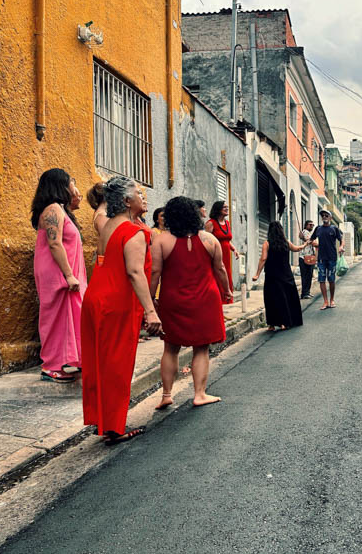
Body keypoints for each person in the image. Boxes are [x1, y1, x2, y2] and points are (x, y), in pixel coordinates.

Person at [81, 177, 161, 445]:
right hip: (116, 303)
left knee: (99, 363)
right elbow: (135, 271)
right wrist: (151, 311)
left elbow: (102, 260)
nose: (143, 196)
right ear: (127, 201)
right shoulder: (133, 231)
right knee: (117, 365)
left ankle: (102, 420)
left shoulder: (108, 225)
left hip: (96, 298)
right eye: (139, 193)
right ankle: (114, 427)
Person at [150, 196, 231, 410]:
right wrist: (227, 290)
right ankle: (199, 394)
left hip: (172, 300)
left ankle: (167, 395)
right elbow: (220, 269)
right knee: (201, 349)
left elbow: (155, 272)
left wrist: (149, 301)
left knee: (170, 348)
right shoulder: (209, 240)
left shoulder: (160, 240)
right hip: (205, 299)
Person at [31, 169, 87, 383]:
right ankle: (51, 367)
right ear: (59, 185)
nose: (73, 185)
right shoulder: (52, 210)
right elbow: (54, 243)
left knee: (69, 316)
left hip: (66, 272)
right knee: (55, 317)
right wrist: (69, 275)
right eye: (71, 181)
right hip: (59, 273)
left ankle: (67, 362)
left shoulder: (60, 210)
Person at [252, 221, 305, 331]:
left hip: (272, 275)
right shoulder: (286, 242)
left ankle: (272, 325)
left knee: (272, 299)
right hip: (286, 274)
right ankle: (285, 323)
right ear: (281, 231)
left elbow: (263, 259)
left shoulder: (267, 243)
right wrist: (305, 244)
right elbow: (297, 249)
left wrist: (257, 274)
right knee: (287, 297)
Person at [205, 201, 239, 304]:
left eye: (227, 207)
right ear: (218, 209)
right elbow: (205, 239)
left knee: (226, 276)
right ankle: (216, 304)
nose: (226, 209)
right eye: (224, 207)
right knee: (217, 276)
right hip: (215, 255)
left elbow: (227, 240)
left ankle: (224, 303)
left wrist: (234, 249)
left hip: (226, 255)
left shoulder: (227, 223)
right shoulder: (211, 223)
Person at [310, 210, 344, 310]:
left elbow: (341, 240)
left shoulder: (334, 228)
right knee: (321, 280)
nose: (324, 217)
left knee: (331, 280)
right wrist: (305, 241)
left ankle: (332, 300)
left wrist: (341, 247)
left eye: (326, 215)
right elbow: (311, 239)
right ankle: (325, 301)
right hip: (321, 259)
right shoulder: (318, 229)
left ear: (330, 218)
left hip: (332, 258)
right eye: (323, 215)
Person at [298, 219, 316, 299]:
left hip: (310, 257)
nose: (312, 226)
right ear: (306, 225)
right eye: (310, 224)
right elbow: (313, 242)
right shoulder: (305, 232)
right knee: (305, 276)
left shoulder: (308, 233)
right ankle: (304, 293)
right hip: (304, 257)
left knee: (309, 276)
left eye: (313, 225)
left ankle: (307, 292)